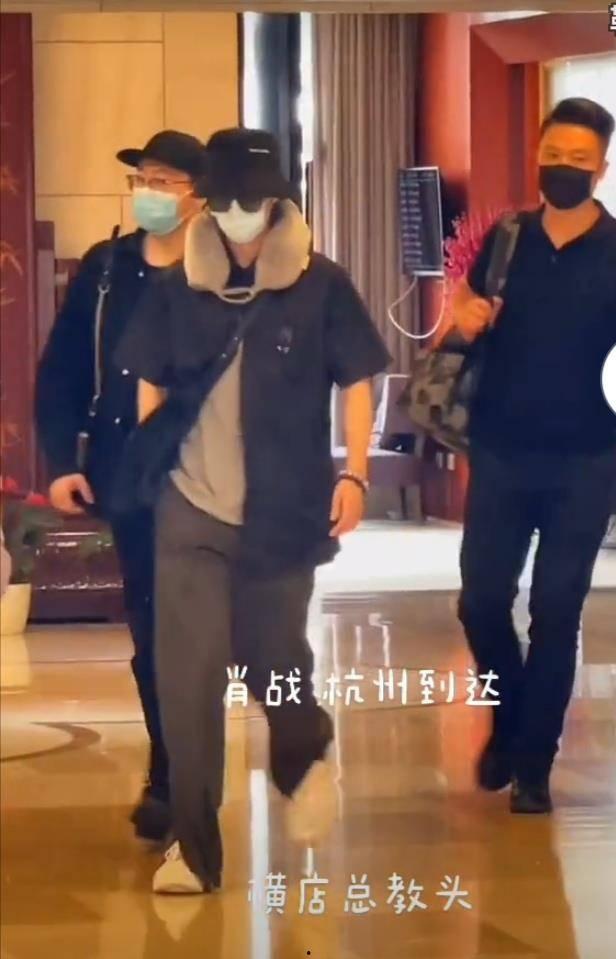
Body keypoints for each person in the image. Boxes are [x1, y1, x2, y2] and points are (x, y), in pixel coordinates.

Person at [113, 128, 391, 893]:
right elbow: (150, 377)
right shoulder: (178, 287)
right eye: (225, 199)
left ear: (276, 202)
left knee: (275, 663)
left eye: (251, 200)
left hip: (283, 510)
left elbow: (358, 379)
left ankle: (304, 756)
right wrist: (153, 459)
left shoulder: (320, 283)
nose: (237, 213)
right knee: (188, 679)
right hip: (190, 511)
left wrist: (356, 473)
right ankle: (193, 847)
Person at [35, 130, 207, 840]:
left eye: (164, 181)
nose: (148, 193)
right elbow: (62, 372)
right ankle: (169, 770)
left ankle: (181, 773)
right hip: (127, 472)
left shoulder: (225, 272)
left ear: (199, 196)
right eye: (142, 180)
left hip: (206, 476)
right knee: (152, 626)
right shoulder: (106, 269)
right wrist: (61, 461)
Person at [450, 98, 616, 814]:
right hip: (502, 451)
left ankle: (533, 764)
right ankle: (510, 716)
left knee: (556, 608)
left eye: (579, 160)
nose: (564, 169)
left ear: (601, 169)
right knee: (481, 600)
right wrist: (464, 316)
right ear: (538, 156)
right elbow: (465, 311)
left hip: (588, 460)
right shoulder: (508, 238)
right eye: (554, 155)